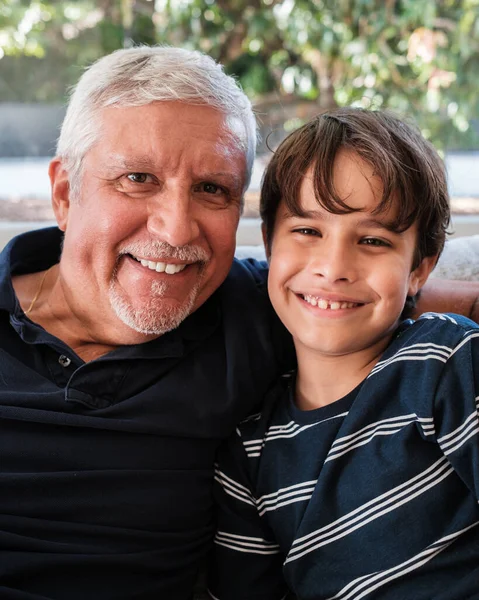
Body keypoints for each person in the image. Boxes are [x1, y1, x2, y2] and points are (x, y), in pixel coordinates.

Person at [0, 47, 478, 600]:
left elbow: (398, 294)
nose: (177, 230)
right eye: (138, 177)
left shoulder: (266, 306)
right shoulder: (253, 452)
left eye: (212, 189)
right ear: (65, 193)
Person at [209, 108, 479, 600]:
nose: (333, 268)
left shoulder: (447, 360)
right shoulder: (248, 453)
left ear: (421, 268)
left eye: (373, 240)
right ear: (269, 240)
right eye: (308, 231)